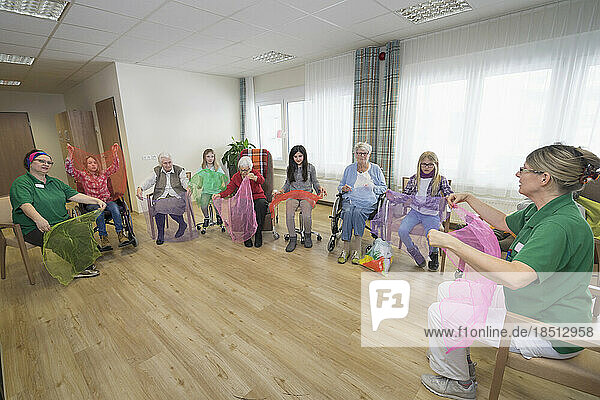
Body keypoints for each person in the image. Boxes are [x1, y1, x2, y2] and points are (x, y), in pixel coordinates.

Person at [421, 144, 600, 400]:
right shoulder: (546, 209)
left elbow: (515, 276)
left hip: (550, 329)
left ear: (544, 178)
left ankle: (459, 383)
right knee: (447, 290)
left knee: (439, 313)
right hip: (536, 302)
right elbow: (505, 222)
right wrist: (471, 198)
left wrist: (453, 243)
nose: (518, 174)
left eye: (523, 169)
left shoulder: (559, 225)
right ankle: (456, 357)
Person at [10, 149, 107, 278]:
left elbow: (74, 195)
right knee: (62, 239)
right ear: (30, 163)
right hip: (33, 227)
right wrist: (38, 219)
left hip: (60, 222)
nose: (46, 164)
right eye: (41, 161)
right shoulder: (22, 183)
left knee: (83, 230)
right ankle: (78, 267)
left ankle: (83, 263)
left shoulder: (54, 182)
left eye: (49, 162)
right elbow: (25, 204)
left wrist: (96, 200)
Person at [65, 143, 130, 251]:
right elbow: (70, 170)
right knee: (98, 211)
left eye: (95, 162)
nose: (93, 164)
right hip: (92, 203)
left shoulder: (103, 174)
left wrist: (114, 154)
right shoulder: (83, 175)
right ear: (86, 166)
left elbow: (115, 167)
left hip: (107, 201)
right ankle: (104, 238)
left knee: (115, 208)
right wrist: (70, 154)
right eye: (90, 163)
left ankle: (121, 234)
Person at [398, 151, 453, 271]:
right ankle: (414, 252)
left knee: (431, 236)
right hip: (415, 212)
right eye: (424, 164)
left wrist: (451, 198)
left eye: (430, 164)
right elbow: (405, 195)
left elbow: (449, 193)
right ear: (419, 165)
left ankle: (433, 255)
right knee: (402, 231)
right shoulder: (414, 178)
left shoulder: (440, 179)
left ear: (436, 165)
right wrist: (393, 196)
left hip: (431, 214)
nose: (426, 167)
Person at [337, 142, 387, 264]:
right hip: (351, 198)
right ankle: (346, 248)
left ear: (369, 154)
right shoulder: (349, 169)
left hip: (368, 200)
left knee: (358, 213)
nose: (361, 156)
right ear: (355, 154)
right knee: (348, 212)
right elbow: (340, 186)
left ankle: (357, 249)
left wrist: (372, 187)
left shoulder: (375, 169)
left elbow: (384, 188)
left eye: (364, 153)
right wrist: (343, 188)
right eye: (359, 153)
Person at [273, 145, 326, 252]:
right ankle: (293, 238)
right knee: (289, 214)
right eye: (295, 156)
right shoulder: (290, 168)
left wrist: (319, 189)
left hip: (307, 195)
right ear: (292, 158)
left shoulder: (311, 168)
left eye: (300, 156)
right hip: (293, 195)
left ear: (304, 156)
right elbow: (287, 183)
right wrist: (282, 191)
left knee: (306, 215)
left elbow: (315, 182)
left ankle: (307, 235)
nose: (298, 159)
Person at [213, 156, 267, 248]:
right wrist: (220, 195)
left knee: (261, 205)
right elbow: (229, 189)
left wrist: (255, 178)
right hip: (244, 198)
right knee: (242, 208)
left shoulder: (254, 173)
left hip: (257, 196)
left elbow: (262, 180)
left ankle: (258, 234)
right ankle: (247, 236)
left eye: (246, 170)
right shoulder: (236, 176)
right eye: (242, 170)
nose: (244, 172)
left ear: (250, 168)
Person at [136, 153, 190, 245]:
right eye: (165, 163)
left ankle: (182, 224)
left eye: (170, 162)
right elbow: (148, 181)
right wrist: (140, 188)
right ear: (161, 164)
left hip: (176, 195)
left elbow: (184, 181)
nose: (168, 165)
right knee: (159, 208)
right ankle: (160, 233)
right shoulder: (157, 171)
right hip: (161, 196)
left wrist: (188, 187)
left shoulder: (179, 170)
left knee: (172, 206)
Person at [197, 148, 225, 229]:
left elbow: (221, 177)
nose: (210, 158)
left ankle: (218, 216)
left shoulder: (217, 167)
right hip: (206, 191)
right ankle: (206, 217)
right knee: (203, 205)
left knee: (217, 204)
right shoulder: (202, 167)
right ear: (204, 158)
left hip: (216, 190)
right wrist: (200, 184)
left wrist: (222, 184)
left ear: (214, 157)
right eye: (208, 156)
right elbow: (201, 178)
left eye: (212, 156)